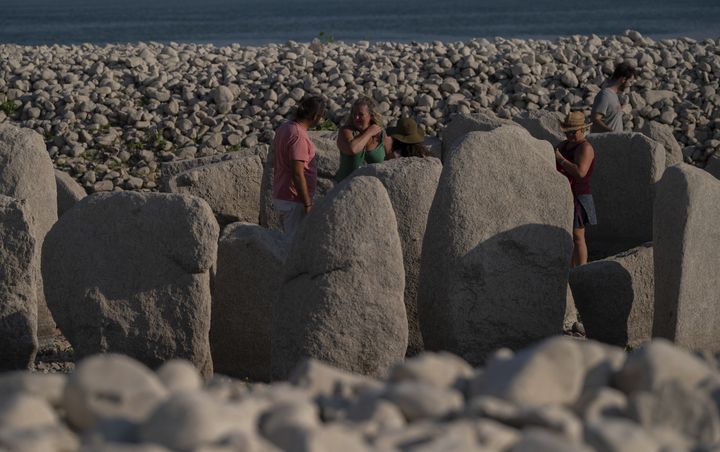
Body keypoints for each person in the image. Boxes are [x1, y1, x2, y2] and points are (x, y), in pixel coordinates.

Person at [272, 95, 327, 239]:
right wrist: (307, 203)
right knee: (294, 243)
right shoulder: (299, 137)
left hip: (282, 194)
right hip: (293, 199)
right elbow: (297, 173)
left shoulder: (286, 127)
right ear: (316, 116)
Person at [555, 111, 597, 267]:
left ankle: (581, 269)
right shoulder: (565, 145)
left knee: (578, 236)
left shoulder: (585, 148)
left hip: (579, 194)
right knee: (567, 235)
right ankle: (572, 268)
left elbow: (581, 172)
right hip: (566, 193)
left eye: (573, 132)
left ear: (583, 130)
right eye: (567, 132)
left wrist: (561, 159)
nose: (570, 135)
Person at [335, 97, 393, 181]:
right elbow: (352, 149)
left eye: (360, 114)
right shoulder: (346, 131)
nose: (356, 118)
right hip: (345, 187)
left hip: (373, 187)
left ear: (371, 116)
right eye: (354, 114)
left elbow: (390, 160)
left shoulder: (381, 134)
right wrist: (369, 132)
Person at [590, 61, 637, 133]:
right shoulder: (605, 95)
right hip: (604, 142)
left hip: (613, 142)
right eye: (630, 82)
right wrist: (612, 133)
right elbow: (595, 120)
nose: (630, 85)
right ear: (623, 79)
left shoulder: (614, 95)